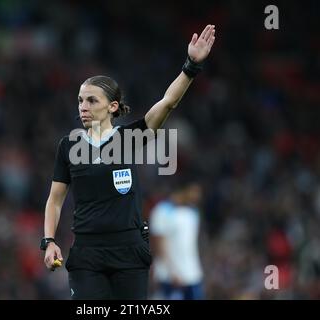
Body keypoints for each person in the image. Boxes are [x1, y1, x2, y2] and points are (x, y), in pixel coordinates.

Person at [40, 25, 216, 300]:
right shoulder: (69, 146)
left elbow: (168, 102)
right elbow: (55, 200)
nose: (82, 106)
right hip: (87, 254)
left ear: (112, 106)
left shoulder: (129, 138)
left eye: (91, 100)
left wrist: (191, 66)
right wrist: (49, 241)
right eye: (80, 101)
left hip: (129, 252)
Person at [150, 182, 205, 300]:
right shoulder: (162, 210)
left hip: (192, 274)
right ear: (183, 190)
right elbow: (159, 244)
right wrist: (172, 271)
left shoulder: (193, 212)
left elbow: (192, 244)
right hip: (169, 276)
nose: (197, 196)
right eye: (194, 192)